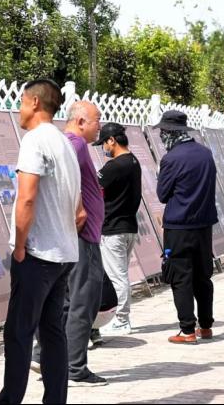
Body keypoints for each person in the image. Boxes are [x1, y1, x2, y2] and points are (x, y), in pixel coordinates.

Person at [0, 79, 85, 405]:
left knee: (18, 333)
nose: (19, 109)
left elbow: (27, 198)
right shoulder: (65, 143)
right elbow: (79, 210)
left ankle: (10, 400)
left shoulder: (34, 140)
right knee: (52, 333)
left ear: (34, 102)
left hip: (38, 253)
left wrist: (20, 245)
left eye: (21, 101)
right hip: (63, 253)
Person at [155, 110, 218, 345]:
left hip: (179, 225)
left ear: (169, 132)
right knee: (203, 275)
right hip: (204, 224)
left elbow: (162, 194)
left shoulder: (171, 159)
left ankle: (187, 329)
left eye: (163, 132)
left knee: (180, 276)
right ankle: (206, 325)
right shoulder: (205, 153)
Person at [61, 101, 107, 387]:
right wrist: (78, 212)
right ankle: (74, 367)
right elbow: (65, 183)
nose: (100, 125)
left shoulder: (71, 144)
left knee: (69, 301)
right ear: (80, 121)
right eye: (96, 120)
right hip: (83, 236)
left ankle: (48, 356)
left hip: (79, 235)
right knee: (84, 301)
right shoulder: (75, 144)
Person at [94, 122, 142, 337]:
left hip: (113, 228)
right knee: (120, 274)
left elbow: (92, 186)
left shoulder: (114, 166)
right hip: (129, 226)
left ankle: (121, 320)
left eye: (104, 143)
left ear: (111, 140)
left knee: (117, 277)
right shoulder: (133, 161)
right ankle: (121, 318)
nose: (103, 148)